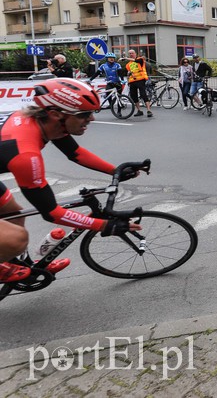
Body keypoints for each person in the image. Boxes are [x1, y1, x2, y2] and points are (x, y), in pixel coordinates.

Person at [0, 78, 141, 283]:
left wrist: (116, 170)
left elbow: (75, 153)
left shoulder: (44, 121)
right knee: (16, 239)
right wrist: (104, 226)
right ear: (56, 114)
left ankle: (17, 267)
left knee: (14, 214)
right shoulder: (25, 154)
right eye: (84, 114)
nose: (91, 119)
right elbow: (51, 213)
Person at [125, 49, 153, 117]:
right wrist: (128, 74)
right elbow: (129, 72)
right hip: (132, 81)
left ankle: (149, 110)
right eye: (130, 53)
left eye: (132, 53)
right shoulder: (128, 64)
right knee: (133, 96)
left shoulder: (140, 59)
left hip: (140, 80)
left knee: (143, 94)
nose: (131, 54)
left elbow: (136, 60)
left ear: (135, 54)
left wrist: (125, 58)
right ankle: (139, 110)